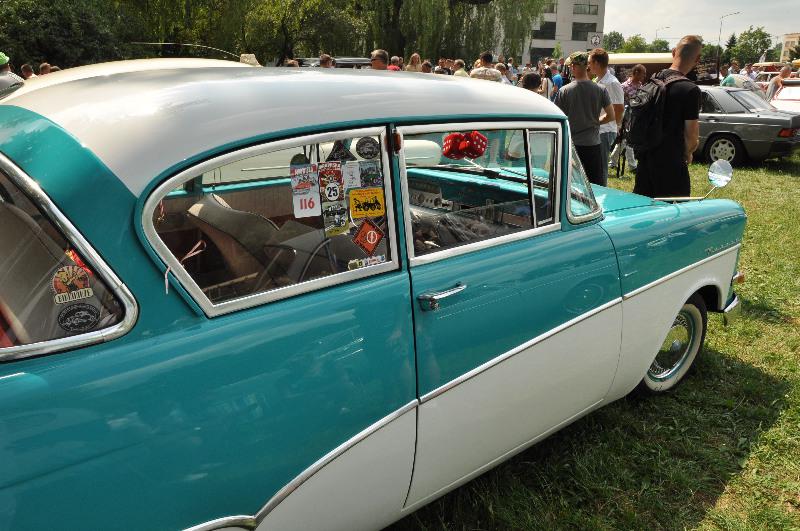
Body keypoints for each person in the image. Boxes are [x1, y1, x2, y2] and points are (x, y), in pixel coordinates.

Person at [633, 35, 702, 199]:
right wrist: (689, 152)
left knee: (643, 210)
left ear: (673, 52)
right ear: (697, 59)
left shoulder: (653, 80)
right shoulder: (690, 90)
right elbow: (691, 137)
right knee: (673, 212)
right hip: (671, 165)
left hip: (645, 161)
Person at [554, 51, 616, 186]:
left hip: (572, 145)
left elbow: (557, 118)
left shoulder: (564, 91)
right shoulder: (601, 89)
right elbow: (611, 115)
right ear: (587, 66)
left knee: (571, 185)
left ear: (573, 67)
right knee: (594, 185)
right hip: (593, 144)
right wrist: (595, 122)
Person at [589, 48, 624, 185]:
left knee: (601, 168)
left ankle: (602, 194)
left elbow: (619, 109)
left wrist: (616, 127)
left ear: (597, 63)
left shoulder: (612, 83)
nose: (589, 65)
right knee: (595, 167)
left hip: (605, 130)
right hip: (599, 129)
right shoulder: (597, 80)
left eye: (590, 62)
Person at [611, 64, 647, 172]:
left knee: (624, 140)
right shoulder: (624, 86)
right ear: (636, 73)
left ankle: (613, 161)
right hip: (625, 117)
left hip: (636, 117)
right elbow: (618, 104)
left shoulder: (641, 86)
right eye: (643, 74)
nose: (644, 76)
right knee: (627, 140)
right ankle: (632, 166)